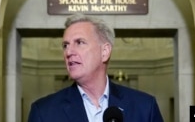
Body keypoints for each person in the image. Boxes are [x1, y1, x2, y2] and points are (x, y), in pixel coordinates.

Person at [28, 13, 164, 122]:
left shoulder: (144, 107)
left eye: (80, 42)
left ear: (104, 52)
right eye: (65, 45)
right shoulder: (44, 112)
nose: (68, 52)